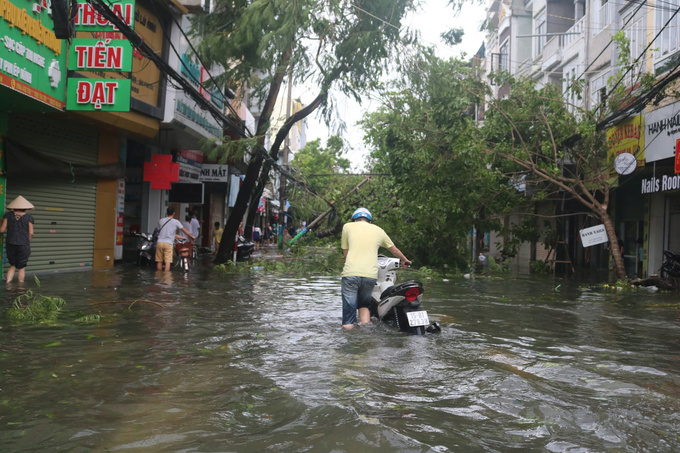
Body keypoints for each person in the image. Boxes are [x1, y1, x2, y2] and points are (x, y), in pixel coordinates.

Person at [340, 207, 411, 330]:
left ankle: (349, 333)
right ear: (370, 221)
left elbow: (346, 254)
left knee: (349, 309)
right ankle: (367, 331)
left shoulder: (347, 227)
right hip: (370, 275)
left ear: (354, 220)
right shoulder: (379, 230)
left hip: (351, 273)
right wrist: (405, 260)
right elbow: (393, 249)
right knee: (364, 305)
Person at [0, 195, 35, 283]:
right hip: (23, 244)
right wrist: (28, 242)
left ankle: (8, 283)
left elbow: (2, 230)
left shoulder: (8, 215)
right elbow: (31, 233)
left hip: (10, 243)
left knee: (12, 265)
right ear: (25, 208)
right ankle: (20, 287)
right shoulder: (29, 217)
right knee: (21, 267)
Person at [155, 207, 195, 271]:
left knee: (159, 261)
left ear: (166, 213)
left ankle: (159, 276)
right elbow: (184, 230)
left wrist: (181, 237)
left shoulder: (161, 220)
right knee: (167, 262)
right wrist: (191, 236)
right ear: (174, 213)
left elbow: (164, 232)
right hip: (168, 243)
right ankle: (166, 278)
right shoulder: (176, 222)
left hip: (159, 242)